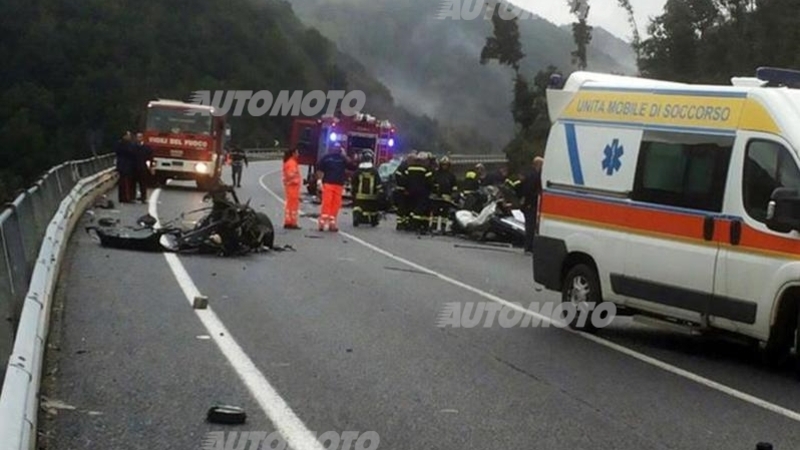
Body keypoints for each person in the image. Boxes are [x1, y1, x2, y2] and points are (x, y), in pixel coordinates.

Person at [316, 144, 354, 231]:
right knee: (327, 203)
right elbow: (319, 168)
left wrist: (345, 156)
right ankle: (322, 223)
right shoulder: (327, 158)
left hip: (337, 185)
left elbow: (352, 165)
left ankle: (331, 223)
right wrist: (319, 180)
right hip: (330, 184)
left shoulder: (341, 158)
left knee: (335, 204)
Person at [403, 151, 435, 233]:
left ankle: (410, 222)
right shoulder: (425, 169)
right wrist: (433, 189)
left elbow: (405, 179)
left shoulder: (410, 168)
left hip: (410, 192)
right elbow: (429, 181)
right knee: (419, 208)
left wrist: (406, 189)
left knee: (412, 207)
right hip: (422, 192)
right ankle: (415, 223)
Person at [351, 151, 383, 226]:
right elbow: (378, 183)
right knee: (372, 210)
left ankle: (357, 217)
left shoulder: (358, 171)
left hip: (359, 196)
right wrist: (379, 193)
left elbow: (354, 182)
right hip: (372, 197)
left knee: (357, 207)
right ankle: (373, 221)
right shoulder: (374, 171)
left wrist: (353, 192)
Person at [519, 156, 544, 254]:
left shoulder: (530, 175)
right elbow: (528, 191)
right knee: (531, 226)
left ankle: (529, 246)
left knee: (531, 226)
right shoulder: (534, 176)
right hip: (531, 204)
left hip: (529, 204)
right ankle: (529, 247)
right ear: (537, 165)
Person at [431, 156, 458, 233]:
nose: (444, 166)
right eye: (443, 165)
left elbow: (454, 186)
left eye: (446, 165)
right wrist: (435, 191)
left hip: (446, 197)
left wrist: (453, 195)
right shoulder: (436, 174)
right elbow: (432, 183)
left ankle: (443, 228)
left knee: (445, 214)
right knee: (435, 212)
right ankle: (434, 226)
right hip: (436, 197)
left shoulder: (451, 175)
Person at [282, 147, 302, 229]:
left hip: (290, 187)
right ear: (293, 154)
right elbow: (290, 175)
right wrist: (296, 179)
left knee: (289, 205)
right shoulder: (291, 163)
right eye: (297, 152)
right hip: (292, 186)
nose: (298, 154)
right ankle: (292, 223)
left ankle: (288, 221)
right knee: (293, 206)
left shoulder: (290, 162)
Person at [133, 132, 154, 203]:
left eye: (140, 137)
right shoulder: (133, 147)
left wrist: (151, 167)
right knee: (133, 183)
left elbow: (150, 158)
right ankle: (133, 197)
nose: (138, 138)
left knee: (143, 183)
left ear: (142, 138)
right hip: (134, 167)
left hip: (143, 168)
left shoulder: (147, 148)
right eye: (137, 137)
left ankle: (143, 197)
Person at [114, 131, 135, 203]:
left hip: (122, 165)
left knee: (122, 182)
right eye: (128, 135)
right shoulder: (126, 145)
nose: (129, 137)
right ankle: (126, 198)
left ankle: (122, 197)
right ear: (124, 136)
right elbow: (131, 152)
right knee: (126, 182)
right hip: (126, 166)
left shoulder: (119, 144)